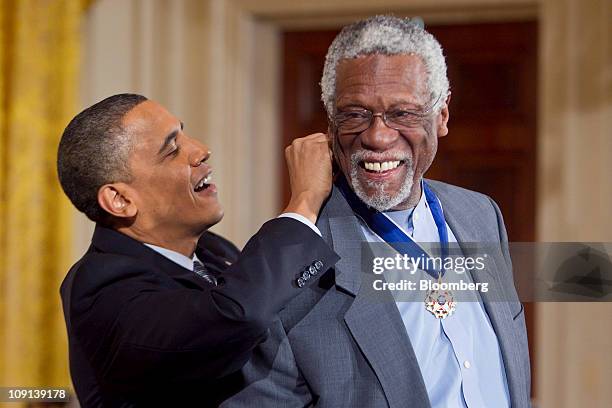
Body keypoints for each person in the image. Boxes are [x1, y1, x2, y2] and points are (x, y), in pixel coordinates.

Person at [224, 16, 531, 408]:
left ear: (442, 116)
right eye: (355, 114)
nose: (377, 136)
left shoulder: (481, 214)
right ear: (331, 124)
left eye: (402, 113)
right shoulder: (294, 265)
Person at [57, 93, 339, 407]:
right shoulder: (100, 289)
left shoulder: (213, 250)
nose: (201, 150)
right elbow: (236, 318)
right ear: (120, 200)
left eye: (184, 132)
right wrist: (304, 201)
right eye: (171, 149)